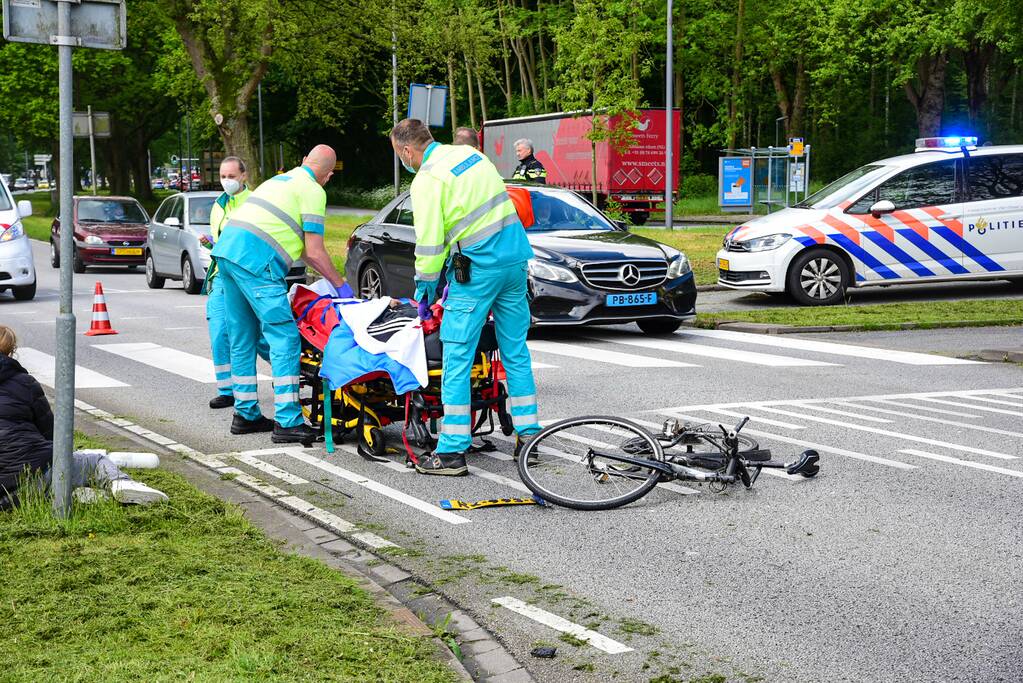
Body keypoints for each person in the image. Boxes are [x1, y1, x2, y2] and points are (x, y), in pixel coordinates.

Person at [391, 118, 541, 476]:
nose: (404, 161)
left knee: (457, 354)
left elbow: (429, 241)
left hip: (478, 270)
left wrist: (425, 283)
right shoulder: (471, 155)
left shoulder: (427, 179)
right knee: (515, 350)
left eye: (401, 155)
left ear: (408, 150)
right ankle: (529, 437)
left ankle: (452, 451)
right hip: (515, 260)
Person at [211, 145, 350, 444]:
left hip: (227, 253)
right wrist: (340, 285)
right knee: (284, 337)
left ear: (303, 162)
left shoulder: (279, 181)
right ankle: (288, 420)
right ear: (327, 176)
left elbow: (304, 251)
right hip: (256, 261)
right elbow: (314, 251)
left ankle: (245, 413)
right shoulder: (314, 190)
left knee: (242, 336)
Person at [0, 326, 167, 509]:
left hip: (5, 496)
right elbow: (53, 435)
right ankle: (121, 483)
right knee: (94, 462)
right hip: (35, 474)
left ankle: (73, 493)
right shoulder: (24, 383)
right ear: (10, 351)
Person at [202, 156, 269, 410]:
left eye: (231, 176)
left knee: (260, 334)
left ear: (244, 176)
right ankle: (227, 390)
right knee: (219, 331)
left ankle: (289, 372)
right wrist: (211, 244)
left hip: (248, 275)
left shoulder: (254, 203)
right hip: (222, 274)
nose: (226, 181)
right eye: (223, 177)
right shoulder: (219, 205)